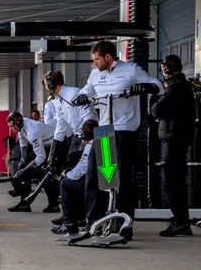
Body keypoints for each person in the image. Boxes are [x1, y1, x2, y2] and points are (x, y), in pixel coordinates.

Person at [72, 40, 164, 237]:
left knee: (120, 178)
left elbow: (158, 85)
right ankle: (92, 222)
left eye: (97, 59)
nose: (94, 63)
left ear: (108, 57)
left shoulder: (130, 70)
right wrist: (78, 98)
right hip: (104, 129)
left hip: (124, 129)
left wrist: (143, 88)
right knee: (96, 175)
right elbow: (84, 92)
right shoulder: (96, 74)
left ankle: (123, 225)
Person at [150, 55, 195, 237]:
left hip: (173, 139)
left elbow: (156, 110)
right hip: (179, 138)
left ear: (167, 69)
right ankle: (181, 221)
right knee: (177, 181)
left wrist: (154, 97)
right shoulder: (182, 86)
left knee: (171, 181)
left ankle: (180, 221)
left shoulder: (174, 88)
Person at [6, 111, 59, 213]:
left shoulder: (32, 131)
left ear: (18, 123)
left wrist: (26, 170)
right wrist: (23, 161)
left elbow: (41, 157)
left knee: (43, 174)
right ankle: (25, 204)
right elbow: (23, 143)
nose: (10, 129)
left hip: (54, 145)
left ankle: (53, 205)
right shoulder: (22, 126)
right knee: (26, 171)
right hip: (44, 144)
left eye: (11, 126)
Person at [52, 119, 98, 235]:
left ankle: (69, 223)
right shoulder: (105, 142)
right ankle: (80, 217)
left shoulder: (90, 146)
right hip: (107, 188)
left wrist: (65, 174)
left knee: (66, 183)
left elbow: (80, 170)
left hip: (95, 189)